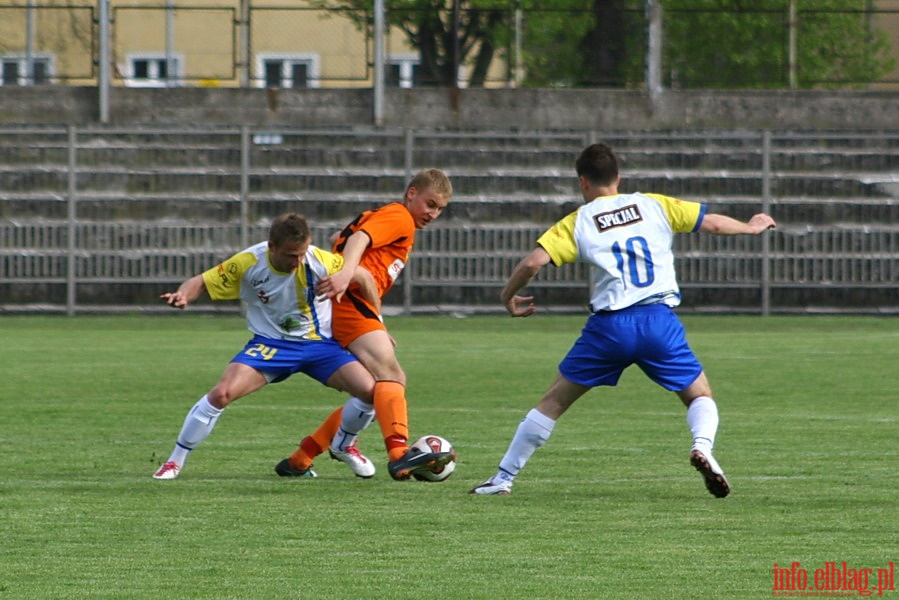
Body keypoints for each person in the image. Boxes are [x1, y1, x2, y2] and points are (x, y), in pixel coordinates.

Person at [469, 143, 776, 497]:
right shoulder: (654, 204)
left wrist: (507, 296)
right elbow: (712, 224)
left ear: (583, 183)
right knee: (698, 395)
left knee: (553, 402)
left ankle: (503, 479)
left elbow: (532, 264)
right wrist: (750, 228)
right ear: (618, 177)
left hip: (609, 328)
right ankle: (703, 447)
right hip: (658, 320)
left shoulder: (577, 222)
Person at [152, 213, 381, 480]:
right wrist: (183, 295)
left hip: (320, 346)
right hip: (271, 345)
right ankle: (174, 461)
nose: (298, 262)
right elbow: (201, 282)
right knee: (221, 394)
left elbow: (364, 278)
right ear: (272, 246)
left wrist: (377, 326)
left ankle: (343, 444)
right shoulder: (250, 262)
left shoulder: (319, 260)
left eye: (302, 254)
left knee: (373, 392)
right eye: (290, 255)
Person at [275, 168, 455, 481]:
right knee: (392, 375)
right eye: (430, 204)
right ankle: (399, 453)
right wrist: (347, 272)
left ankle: (301, 458)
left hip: (352, 305)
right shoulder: (399, 216)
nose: (433, 213)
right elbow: (359, 238)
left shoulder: (386, 216)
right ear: (412, 193)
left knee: (371, 393)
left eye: (439, 208)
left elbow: (338, 238)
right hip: (351, 304)